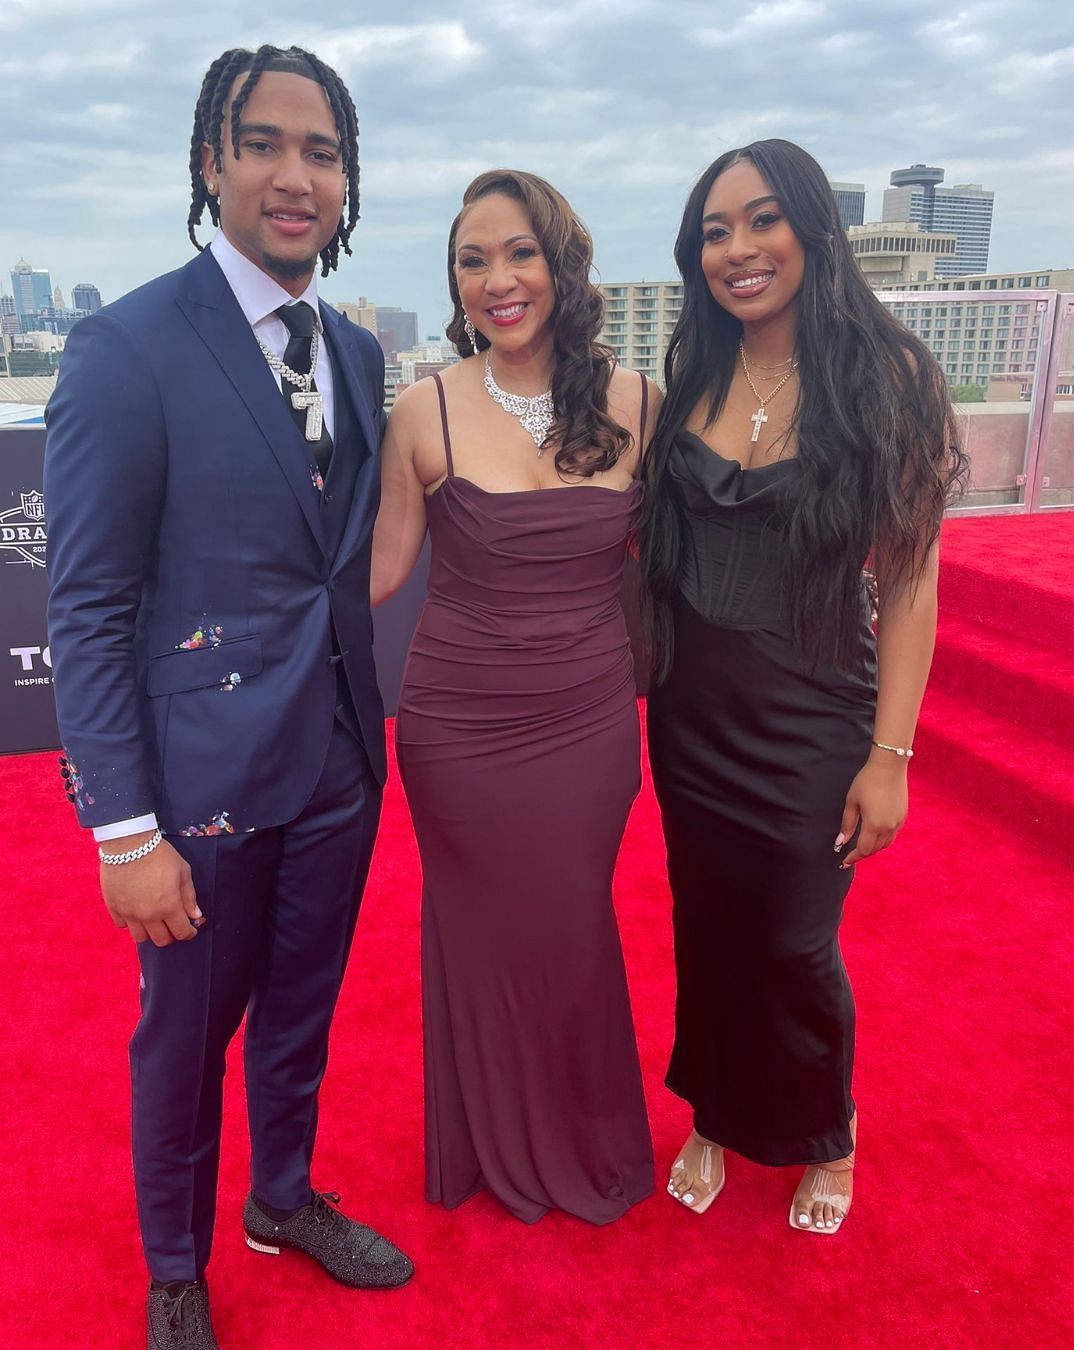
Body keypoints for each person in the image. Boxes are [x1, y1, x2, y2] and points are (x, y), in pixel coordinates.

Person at [45, 44, 412, 1350]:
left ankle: (285, 1195)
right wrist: (124, 831)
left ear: (349, 179)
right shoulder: (126, 346)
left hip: (336, 764)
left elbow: (347, 559)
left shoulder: (359, 357)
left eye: (323, 151)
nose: (295, 174)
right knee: (186, 1036)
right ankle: (176, 1266)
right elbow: (85, 606)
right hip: (198, 782)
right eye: (264, 143)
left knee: (303, 1010)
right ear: (213, 161)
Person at [639, 140, 966, 1234]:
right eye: (715, 231)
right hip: (692, 717)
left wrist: (891, 757)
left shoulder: (888, 375)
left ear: (814, 231)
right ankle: (716, 1115)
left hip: (814, 717)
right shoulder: (694, 367)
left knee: (792, 940)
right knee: (710, 927)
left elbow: (911, 584)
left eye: (762, 220)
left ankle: (830, 1131)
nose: (737, 249)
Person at [371, 170, 658, 1224]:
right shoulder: (424, 406)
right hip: (457, 727)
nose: (498, 279)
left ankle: (574, 1128)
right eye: (472, 259)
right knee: (484, 930)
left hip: (587, 721)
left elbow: (684, 560)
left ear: (561, 264)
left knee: (573, 923)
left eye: (519, 252)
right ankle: (492, 1139)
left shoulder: (638, 401)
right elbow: (378, 570)